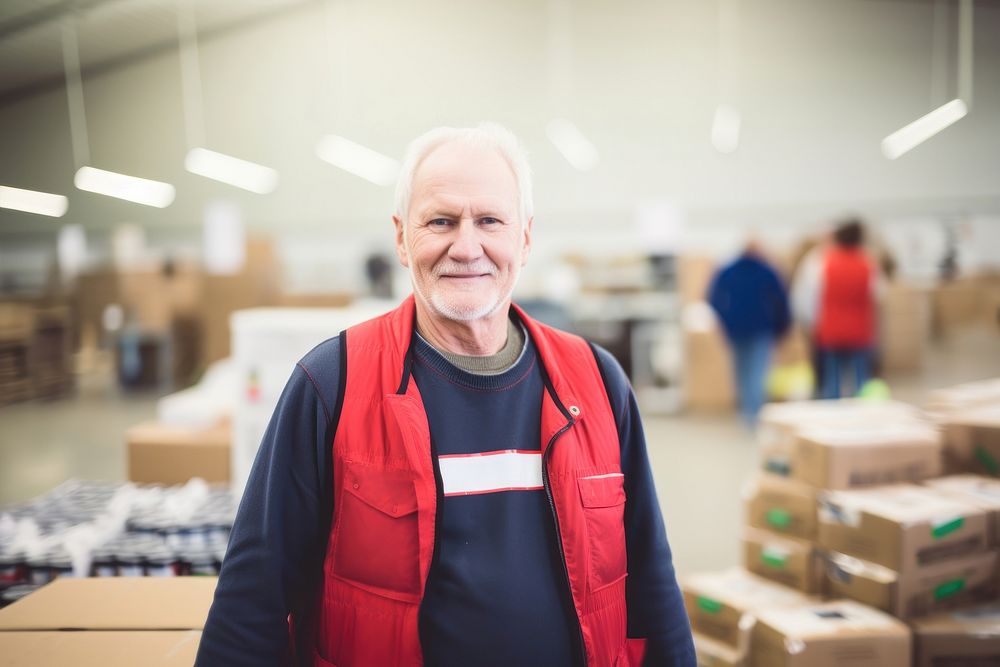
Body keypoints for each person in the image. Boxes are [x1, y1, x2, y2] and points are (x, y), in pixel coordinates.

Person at [196, 123, 695, 667]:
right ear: (401, 238)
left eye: (489, 221)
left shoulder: (597, 382)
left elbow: (651, 579)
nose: (466, 245)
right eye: (440, 221)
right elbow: (253, 600)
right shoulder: (331, 385)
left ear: (524, 238)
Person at [707, 240, 791, 424]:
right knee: (758, 372)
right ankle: (756, 413)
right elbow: (782, 302)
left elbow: (712, 298)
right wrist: (782, 327)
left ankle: (747, 413)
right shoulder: (767, 271)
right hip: (761, 329)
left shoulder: (728, 270)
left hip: (736, 328)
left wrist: (725, 319)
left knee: (742, 372)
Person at [795, 219, 881, 399]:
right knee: (860, 385)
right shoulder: (867, 264)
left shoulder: (822, 264)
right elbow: (879, 295)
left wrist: (813, 324)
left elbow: (806, 299)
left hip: (831, 332)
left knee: (831, 385)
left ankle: (832, 420)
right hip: (859, 332)